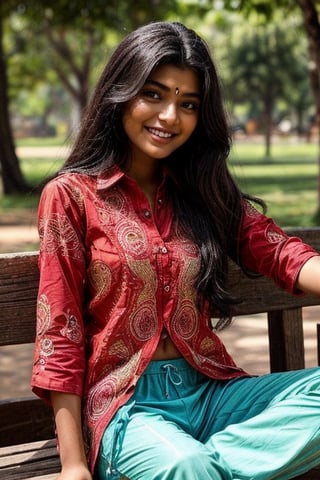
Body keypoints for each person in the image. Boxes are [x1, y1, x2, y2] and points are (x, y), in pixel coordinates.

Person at [31, 21, 320, 480]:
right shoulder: (72, 196)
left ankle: (210, 467)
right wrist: (72, 465)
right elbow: (59, 333)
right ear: (121, 93)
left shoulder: (203, 190)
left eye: (188, 104)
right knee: (186, 463)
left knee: (196, 465)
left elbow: (278, 251)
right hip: (127, 408)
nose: (170, 116)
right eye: (153, 94)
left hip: (213, 391)